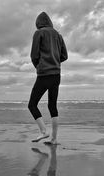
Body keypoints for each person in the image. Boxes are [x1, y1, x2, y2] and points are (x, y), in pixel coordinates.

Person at [28, 11, 68, 143]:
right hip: (56, 75)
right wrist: (55, 62)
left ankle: (43, 131)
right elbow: (64, 56)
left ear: (38, 23)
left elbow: (34, 55)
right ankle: (54, 139)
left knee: (32, 104)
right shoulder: (58, 35)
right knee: (52, 105)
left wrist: (39, 66)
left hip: (44, 74)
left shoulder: (39, 33)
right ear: (50, 22)